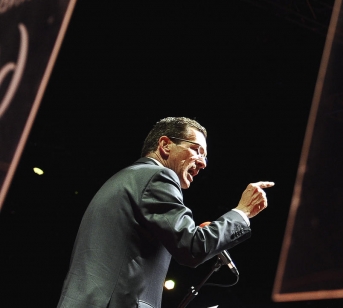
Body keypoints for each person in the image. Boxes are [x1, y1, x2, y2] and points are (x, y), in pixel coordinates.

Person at [56, 117, 274, 308]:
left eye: (205, 157)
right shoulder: (158, 176)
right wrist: (242, 212)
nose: (203, 163)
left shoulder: (130, 178)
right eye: (197, 150)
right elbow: (191, 247)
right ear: (165, 145)